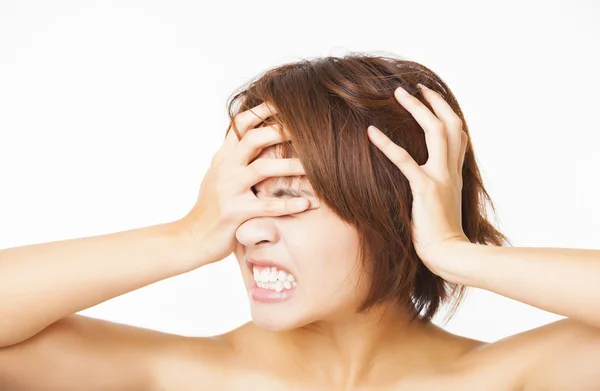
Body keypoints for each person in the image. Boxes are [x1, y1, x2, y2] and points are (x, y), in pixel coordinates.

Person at [0, 54, 599, 391]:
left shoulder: (506, 380)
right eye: (243, 196)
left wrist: (455, 251)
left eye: (288, 197)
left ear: (400, 208)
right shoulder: (170, 377)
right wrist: (184, 236)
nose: (247, 229)